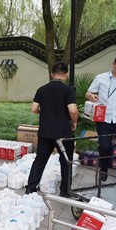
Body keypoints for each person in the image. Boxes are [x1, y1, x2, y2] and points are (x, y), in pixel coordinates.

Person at [25, 62, 78, 197]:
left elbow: (34, 109)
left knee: (40, 160)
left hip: (45, 131)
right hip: (64, 133)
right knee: (66, 162)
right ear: (66, 74)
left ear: (51, 74)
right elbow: (73, 110)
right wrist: (74, 121)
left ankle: (30, 188)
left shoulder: (42, 89)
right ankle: (65, 191)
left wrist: (45, 112)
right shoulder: (68, 90)